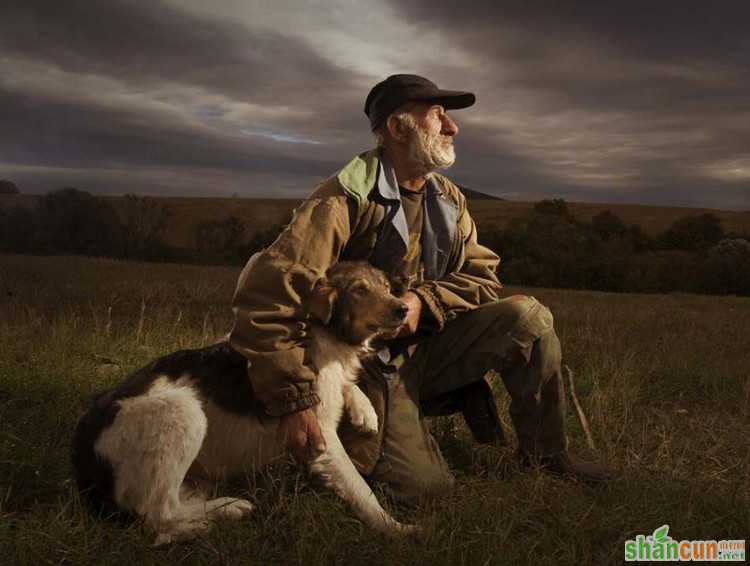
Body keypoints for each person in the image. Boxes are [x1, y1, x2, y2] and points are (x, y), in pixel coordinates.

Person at [229, 74, 612, 497]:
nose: (453, 128)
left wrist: (421, 301)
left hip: (428, 347)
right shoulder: (343, 199)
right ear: (397, 128)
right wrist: (296, 402)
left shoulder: (448, 198)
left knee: (528, 318)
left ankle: (547, 457)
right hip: (363, 369)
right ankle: (384, 429)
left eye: (448, 118)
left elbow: (483, 274)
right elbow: (267, 298)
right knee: (424, 490)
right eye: (438, 116)